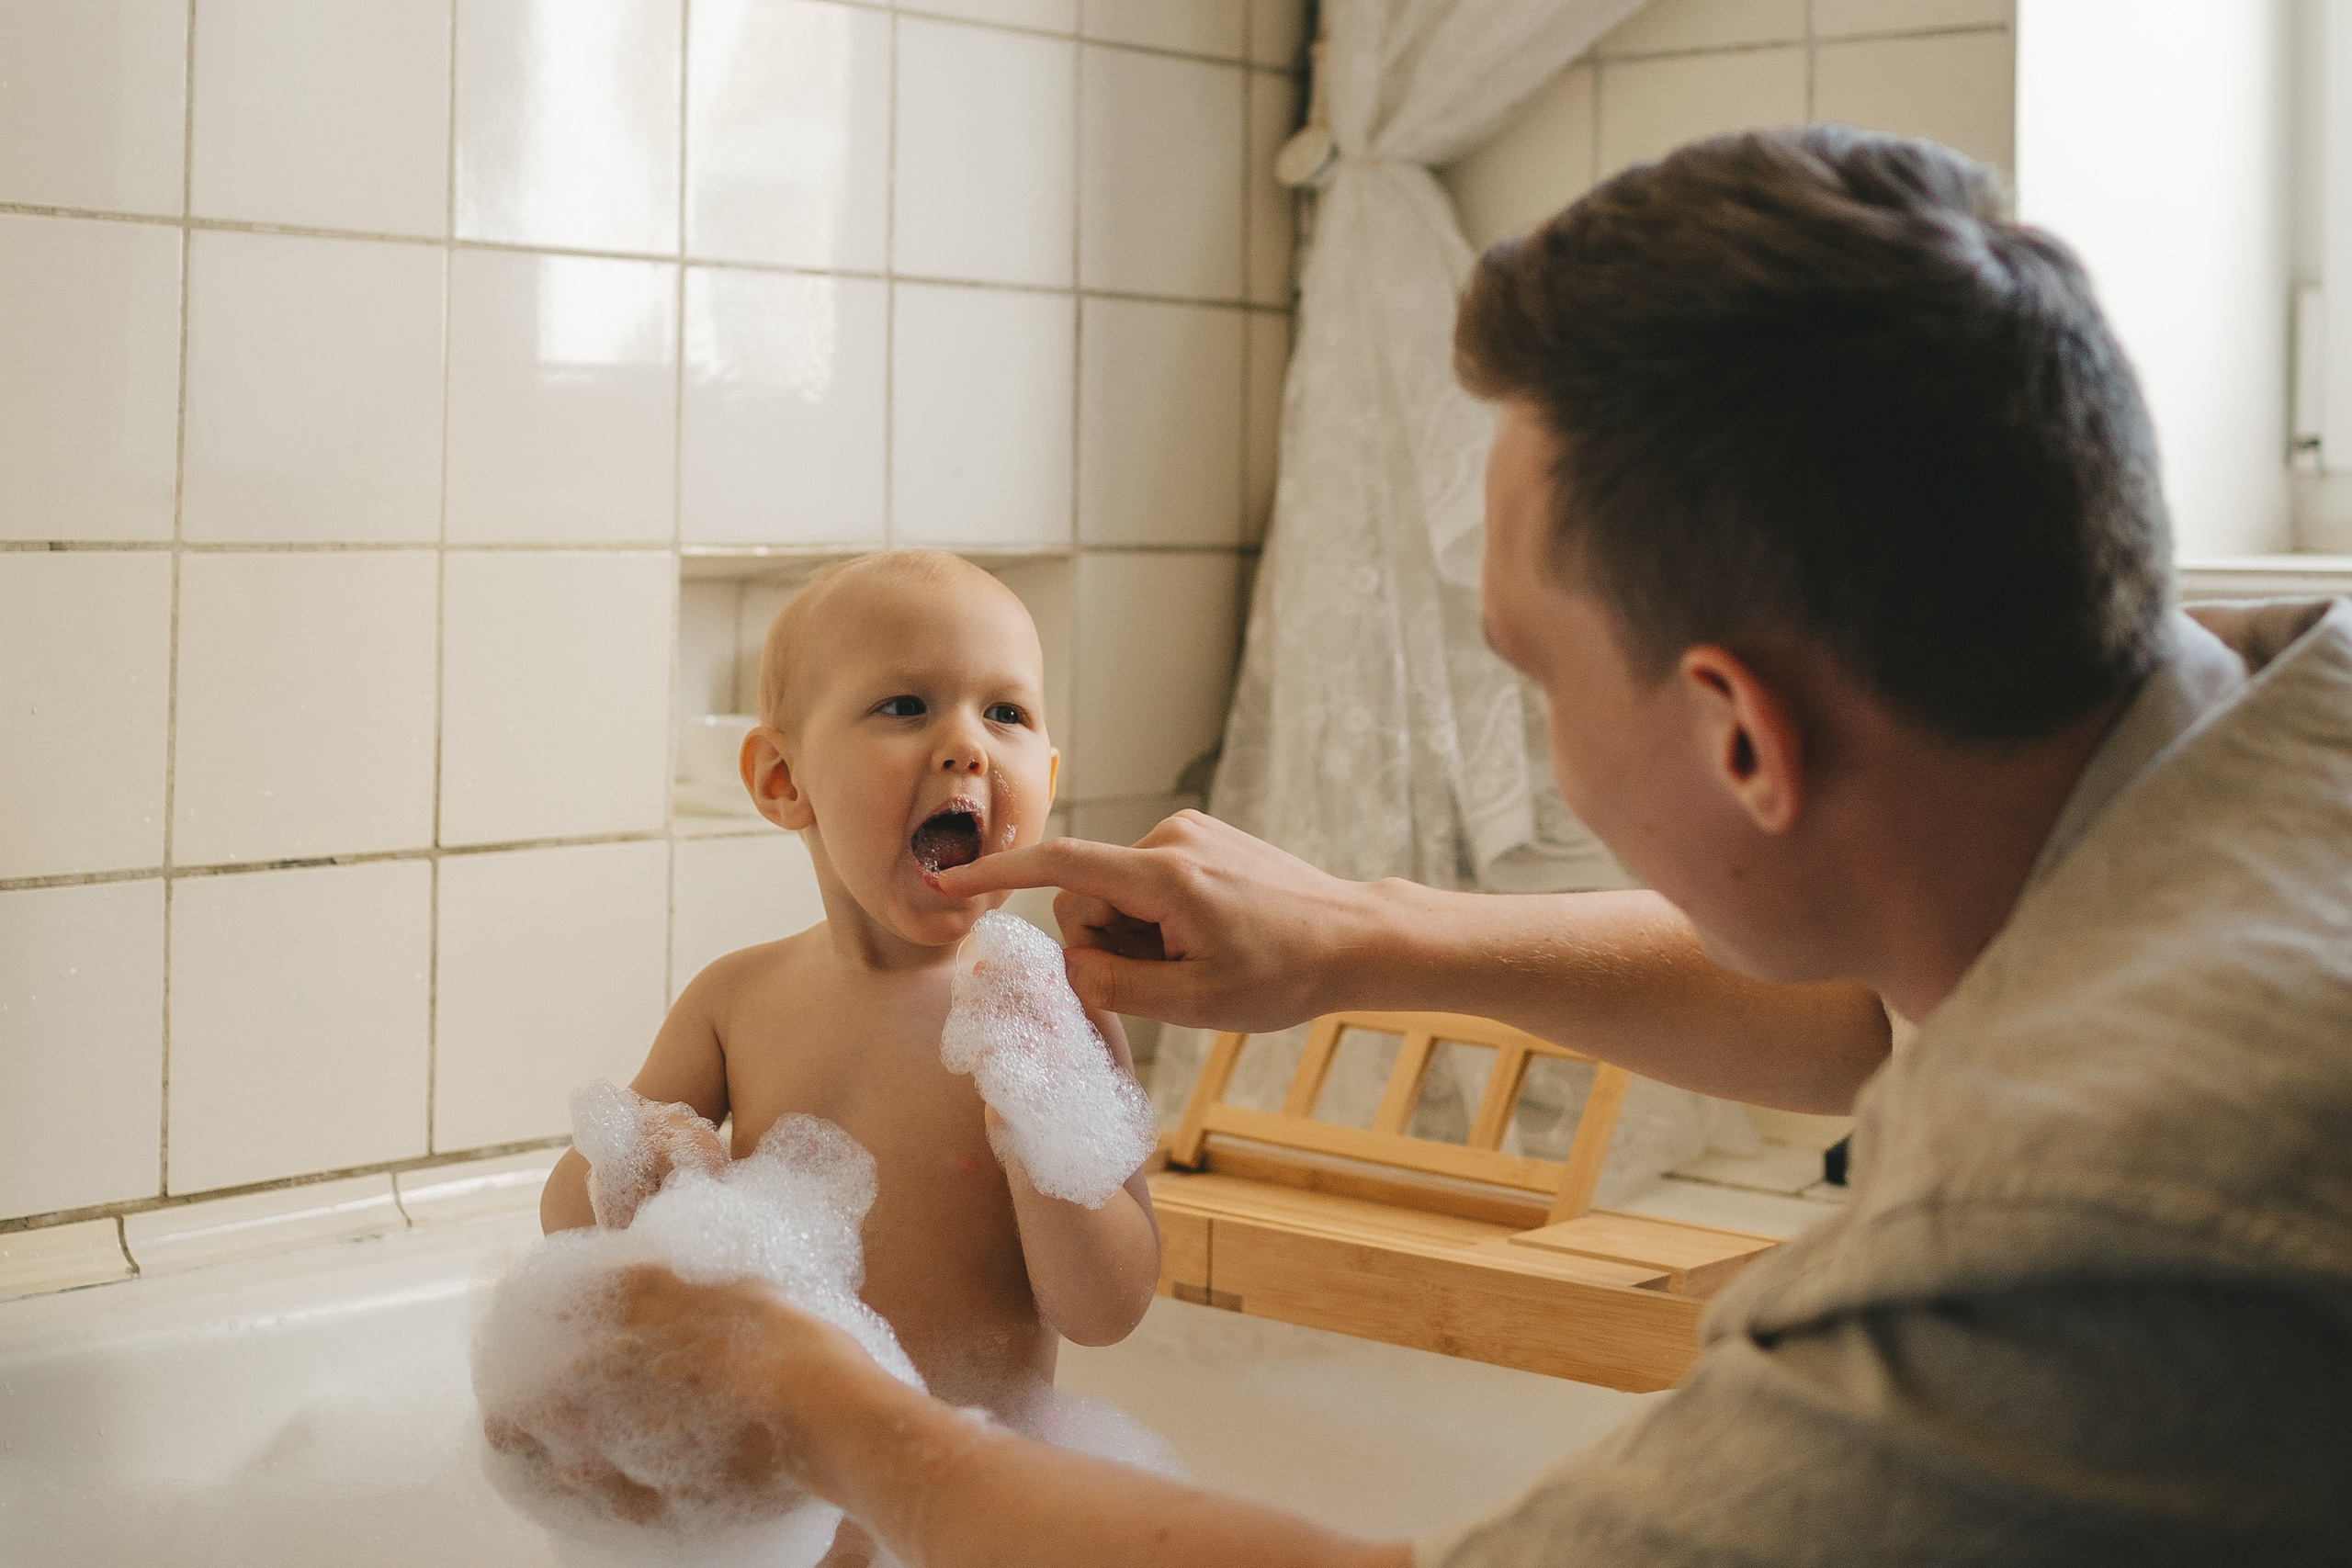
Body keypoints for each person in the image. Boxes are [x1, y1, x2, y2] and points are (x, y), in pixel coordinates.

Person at [524, 126, 2352, 1564]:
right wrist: (1372, 935)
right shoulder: (2283, 724)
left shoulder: (2083, 1235)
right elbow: (1882, 1000)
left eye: (1528, 672)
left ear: (1736, 733)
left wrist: (824, 1409)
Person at [533, 549, 1162, 1564]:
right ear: (784, 782)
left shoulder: (1048, 1017)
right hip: (777, 1518)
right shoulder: (736, 1000)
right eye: (907, 705)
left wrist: (1041, 1135)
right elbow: (570, 1214)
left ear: (1044, 781)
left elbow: (1106, 1310)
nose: (966, 745)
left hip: (968, 1516)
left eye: (1006, 714)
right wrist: (647, 1167)